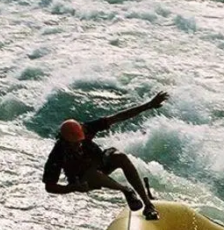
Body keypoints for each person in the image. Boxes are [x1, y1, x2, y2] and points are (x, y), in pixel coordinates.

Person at [43, 91, 168, 220]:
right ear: (65, 141)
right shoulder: (57, 154)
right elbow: (49, 186)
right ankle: (125, 190)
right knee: (91, 174)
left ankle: (148, 205)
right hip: (84, 179)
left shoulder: (86, 129)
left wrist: (149, 105)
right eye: (74, 144)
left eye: (80, 142)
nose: (78, 145)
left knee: (120, 157)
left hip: (99, 163)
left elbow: (118, 117)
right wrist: (71, 188)